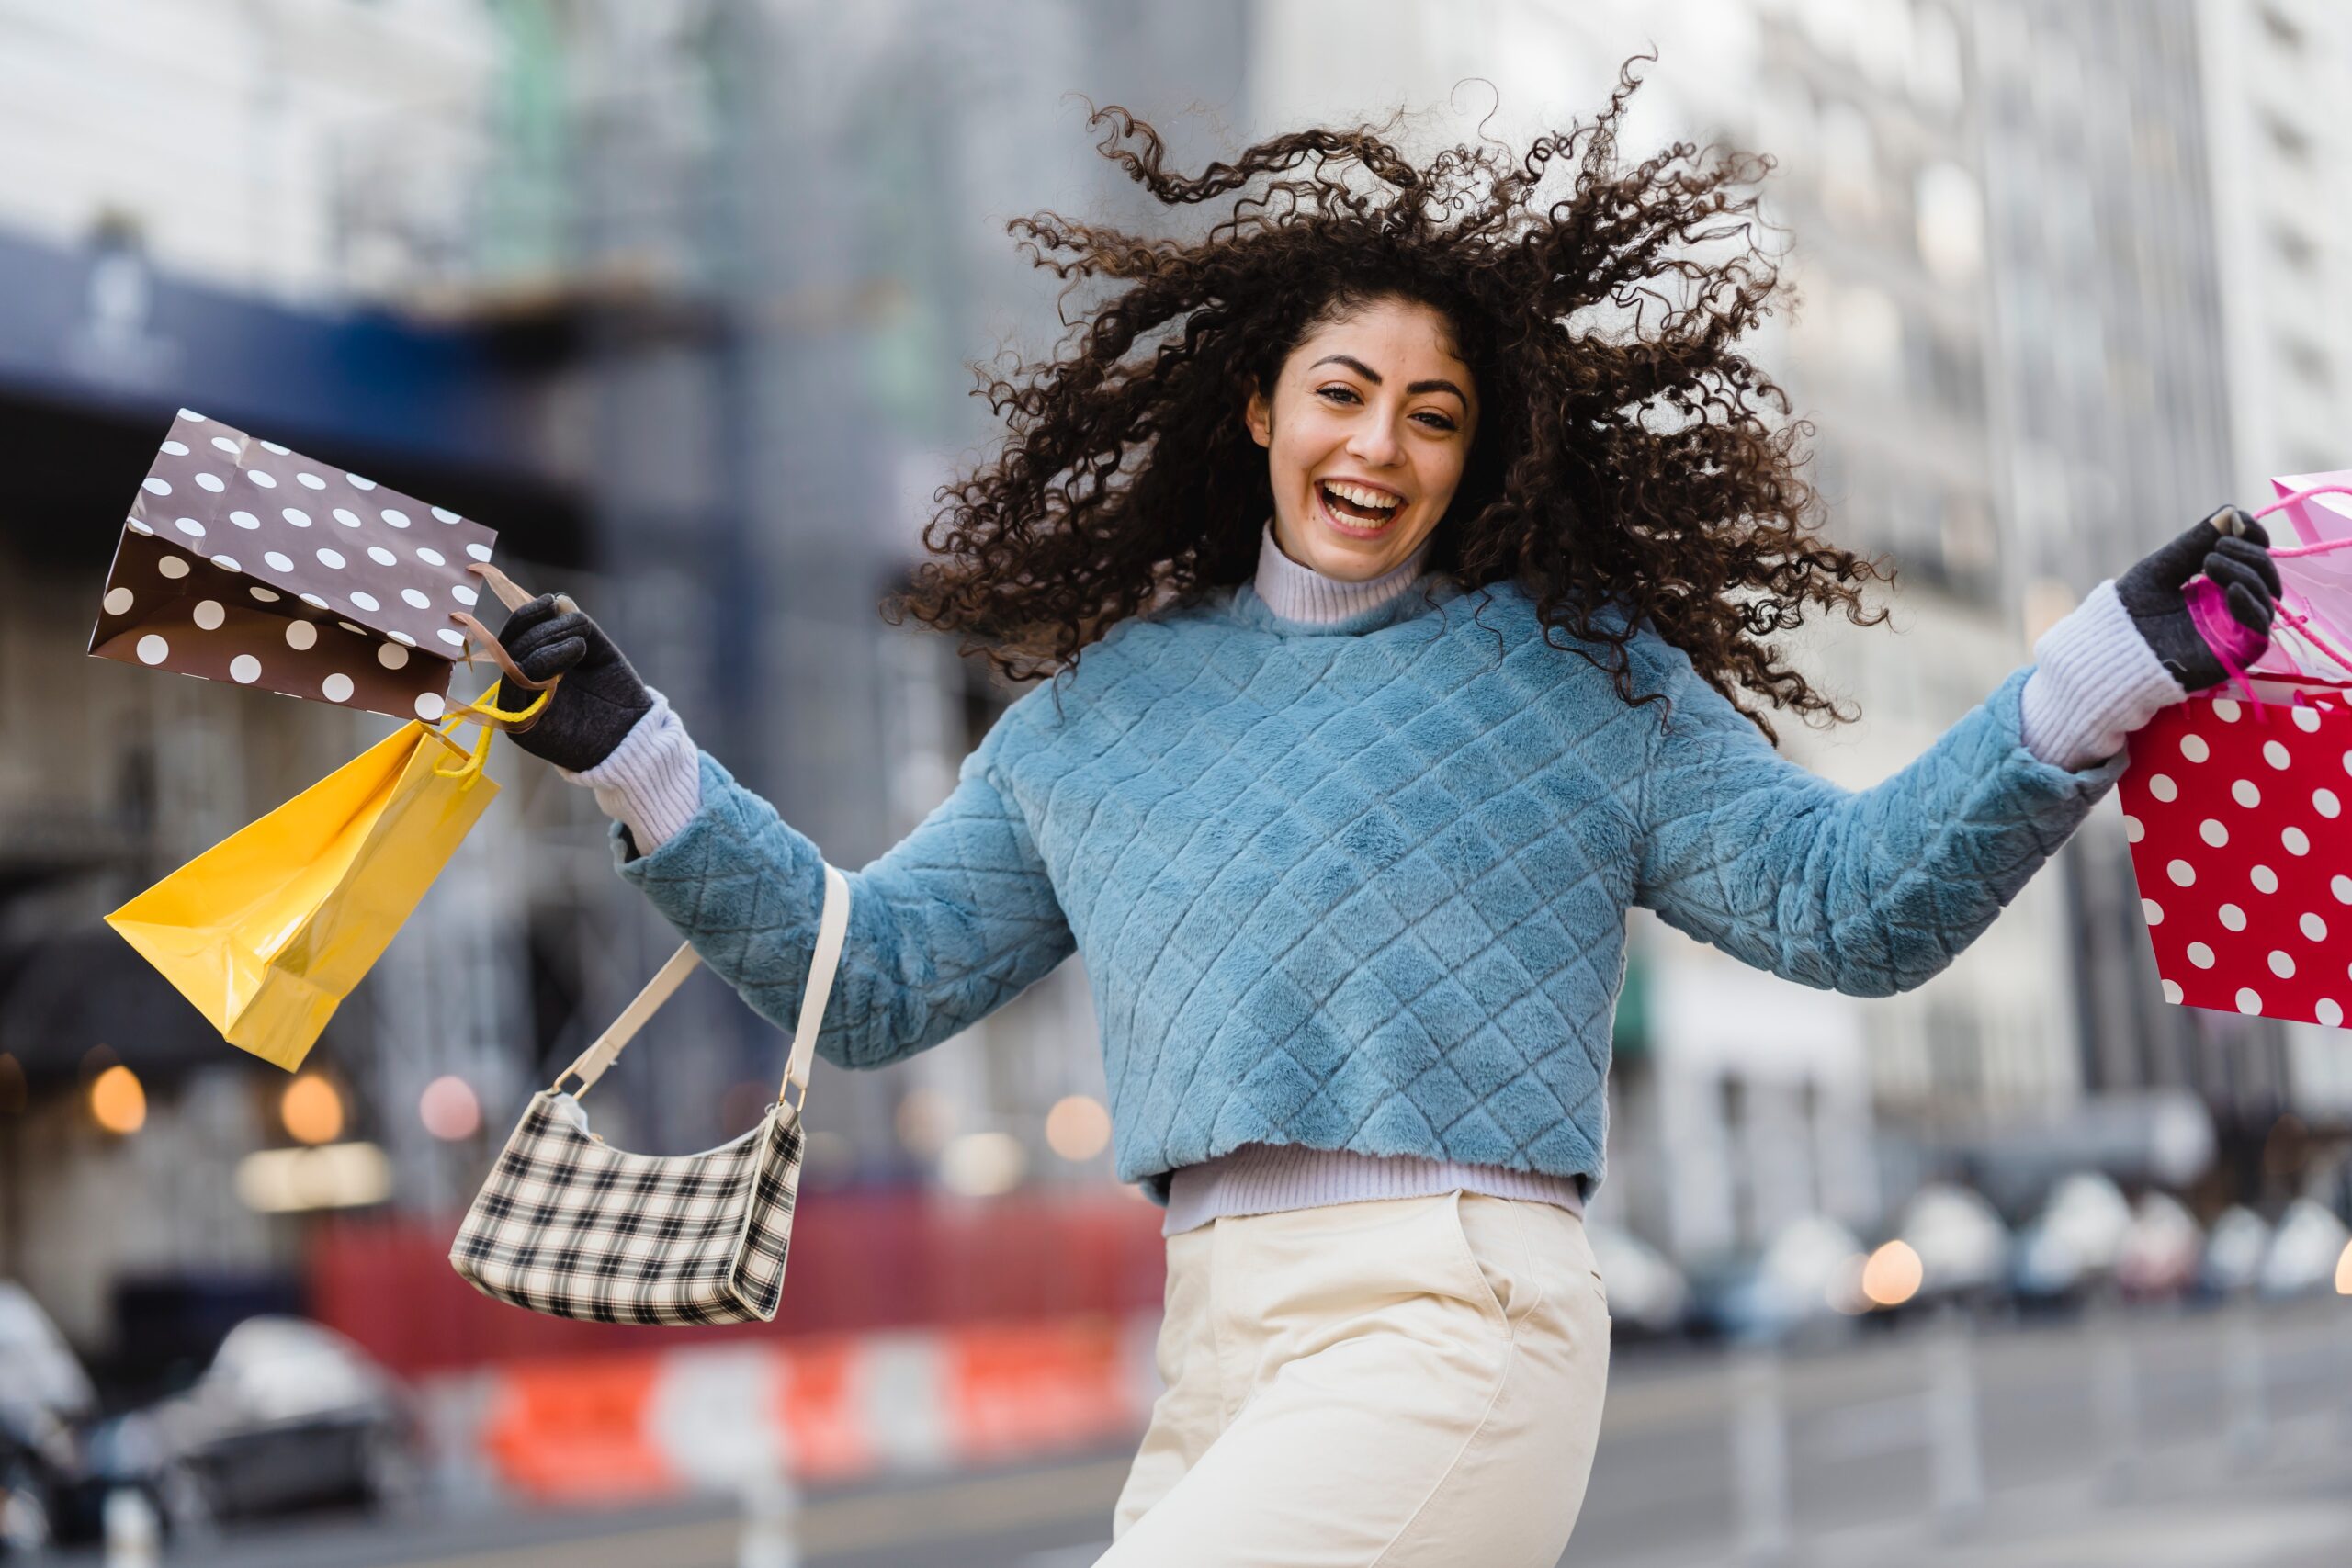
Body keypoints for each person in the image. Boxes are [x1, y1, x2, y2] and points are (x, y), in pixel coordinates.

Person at [487, 68, 2281, 1567]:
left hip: (1455, 1318)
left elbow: (1850, 905)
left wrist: (2092, 673)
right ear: (1260, 403)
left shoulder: (1579, 680)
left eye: (1434, 413)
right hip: (1210, 1344)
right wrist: (635, 754)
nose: (1380, 445)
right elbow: (864, 979)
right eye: (1343, 392)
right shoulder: (1098, 713)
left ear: (1473, 449)